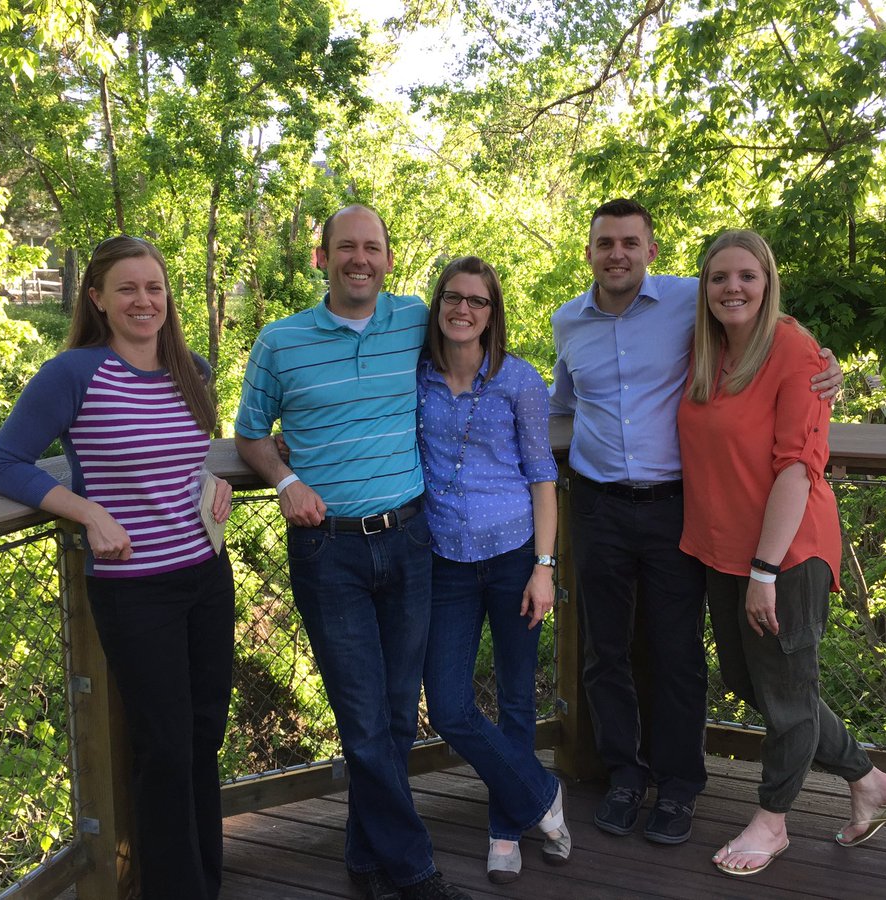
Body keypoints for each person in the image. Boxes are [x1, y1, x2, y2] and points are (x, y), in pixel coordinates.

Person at [549, 199, 843, 844]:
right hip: (597, 505)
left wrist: (828, 368)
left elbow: (767, 318)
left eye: (631, 242)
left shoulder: (693, 299)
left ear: (652, 251)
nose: (617, 253)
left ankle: (679, 785)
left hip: (675, 510)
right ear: (590, 251)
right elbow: (563, 406)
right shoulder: (566, 321)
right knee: (605, 649)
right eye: (605, 243)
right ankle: (624, 774)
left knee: (678, 652)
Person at [0, 236, 235, 899]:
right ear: (97, 298)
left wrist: (212, 487)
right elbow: (3, 463)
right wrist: (89, 514)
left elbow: (186, 457)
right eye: (127, 289)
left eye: (154, 287)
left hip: (208, 573)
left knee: (205, 734)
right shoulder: (73, 374)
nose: (144, 301)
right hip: (135, 590)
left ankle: (208, 880)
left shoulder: (193, 368)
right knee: (166, 747)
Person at [235, 205, 470, 900]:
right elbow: (250, 435)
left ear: (389, 260)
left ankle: (364, 853)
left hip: (410, 539)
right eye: (345, 247)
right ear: (322, 258)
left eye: (372, 247)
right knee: (363, 716)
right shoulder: (281, 342)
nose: (358, 258)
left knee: (399, 712)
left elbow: (476, 339)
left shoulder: (414, 322)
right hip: (327, 551)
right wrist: (285, 479)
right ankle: (414, 867)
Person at [677, 229, 886, 876]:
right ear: (703, 287)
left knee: (787, 691)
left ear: (768, 281)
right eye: (719, 277)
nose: (732, 287)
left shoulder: (794, 350)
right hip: (721, 550)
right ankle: (870, 782)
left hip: (786, 554)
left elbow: (796, 469)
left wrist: (765, 572)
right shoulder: (709, 348)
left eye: (746, 276)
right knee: (748, 681)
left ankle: (774, 820)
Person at [417, 256, 570, 884]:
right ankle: (542, 795)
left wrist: (544, 568)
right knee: (449, 707)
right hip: (444, 563)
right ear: (439, 306)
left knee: (515, 698)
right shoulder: (415, 377)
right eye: (453, 297)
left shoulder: (519, 382)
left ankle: (505, 829)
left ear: (492, 313)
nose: (463, 309)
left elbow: (542, 478)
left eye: (477, 301)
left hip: (512, 558)